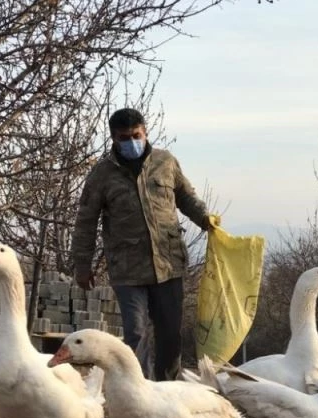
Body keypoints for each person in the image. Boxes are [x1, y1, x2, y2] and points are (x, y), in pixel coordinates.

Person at [71, 108, 214, 381]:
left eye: (136, 135)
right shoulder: (102, 174)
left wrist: (206, 220)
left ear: (145, 131)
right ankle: (138, 394)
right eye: (124, 137)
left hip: (168, 263)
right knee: (135, 334)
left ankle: (168, 390)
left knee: (170, 333)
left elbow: (186, 198)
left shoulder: (165, 162)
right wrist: (82, 265)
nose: (132, 141)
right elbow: (85, 221)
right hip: (127, 268)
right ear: (114, 138)